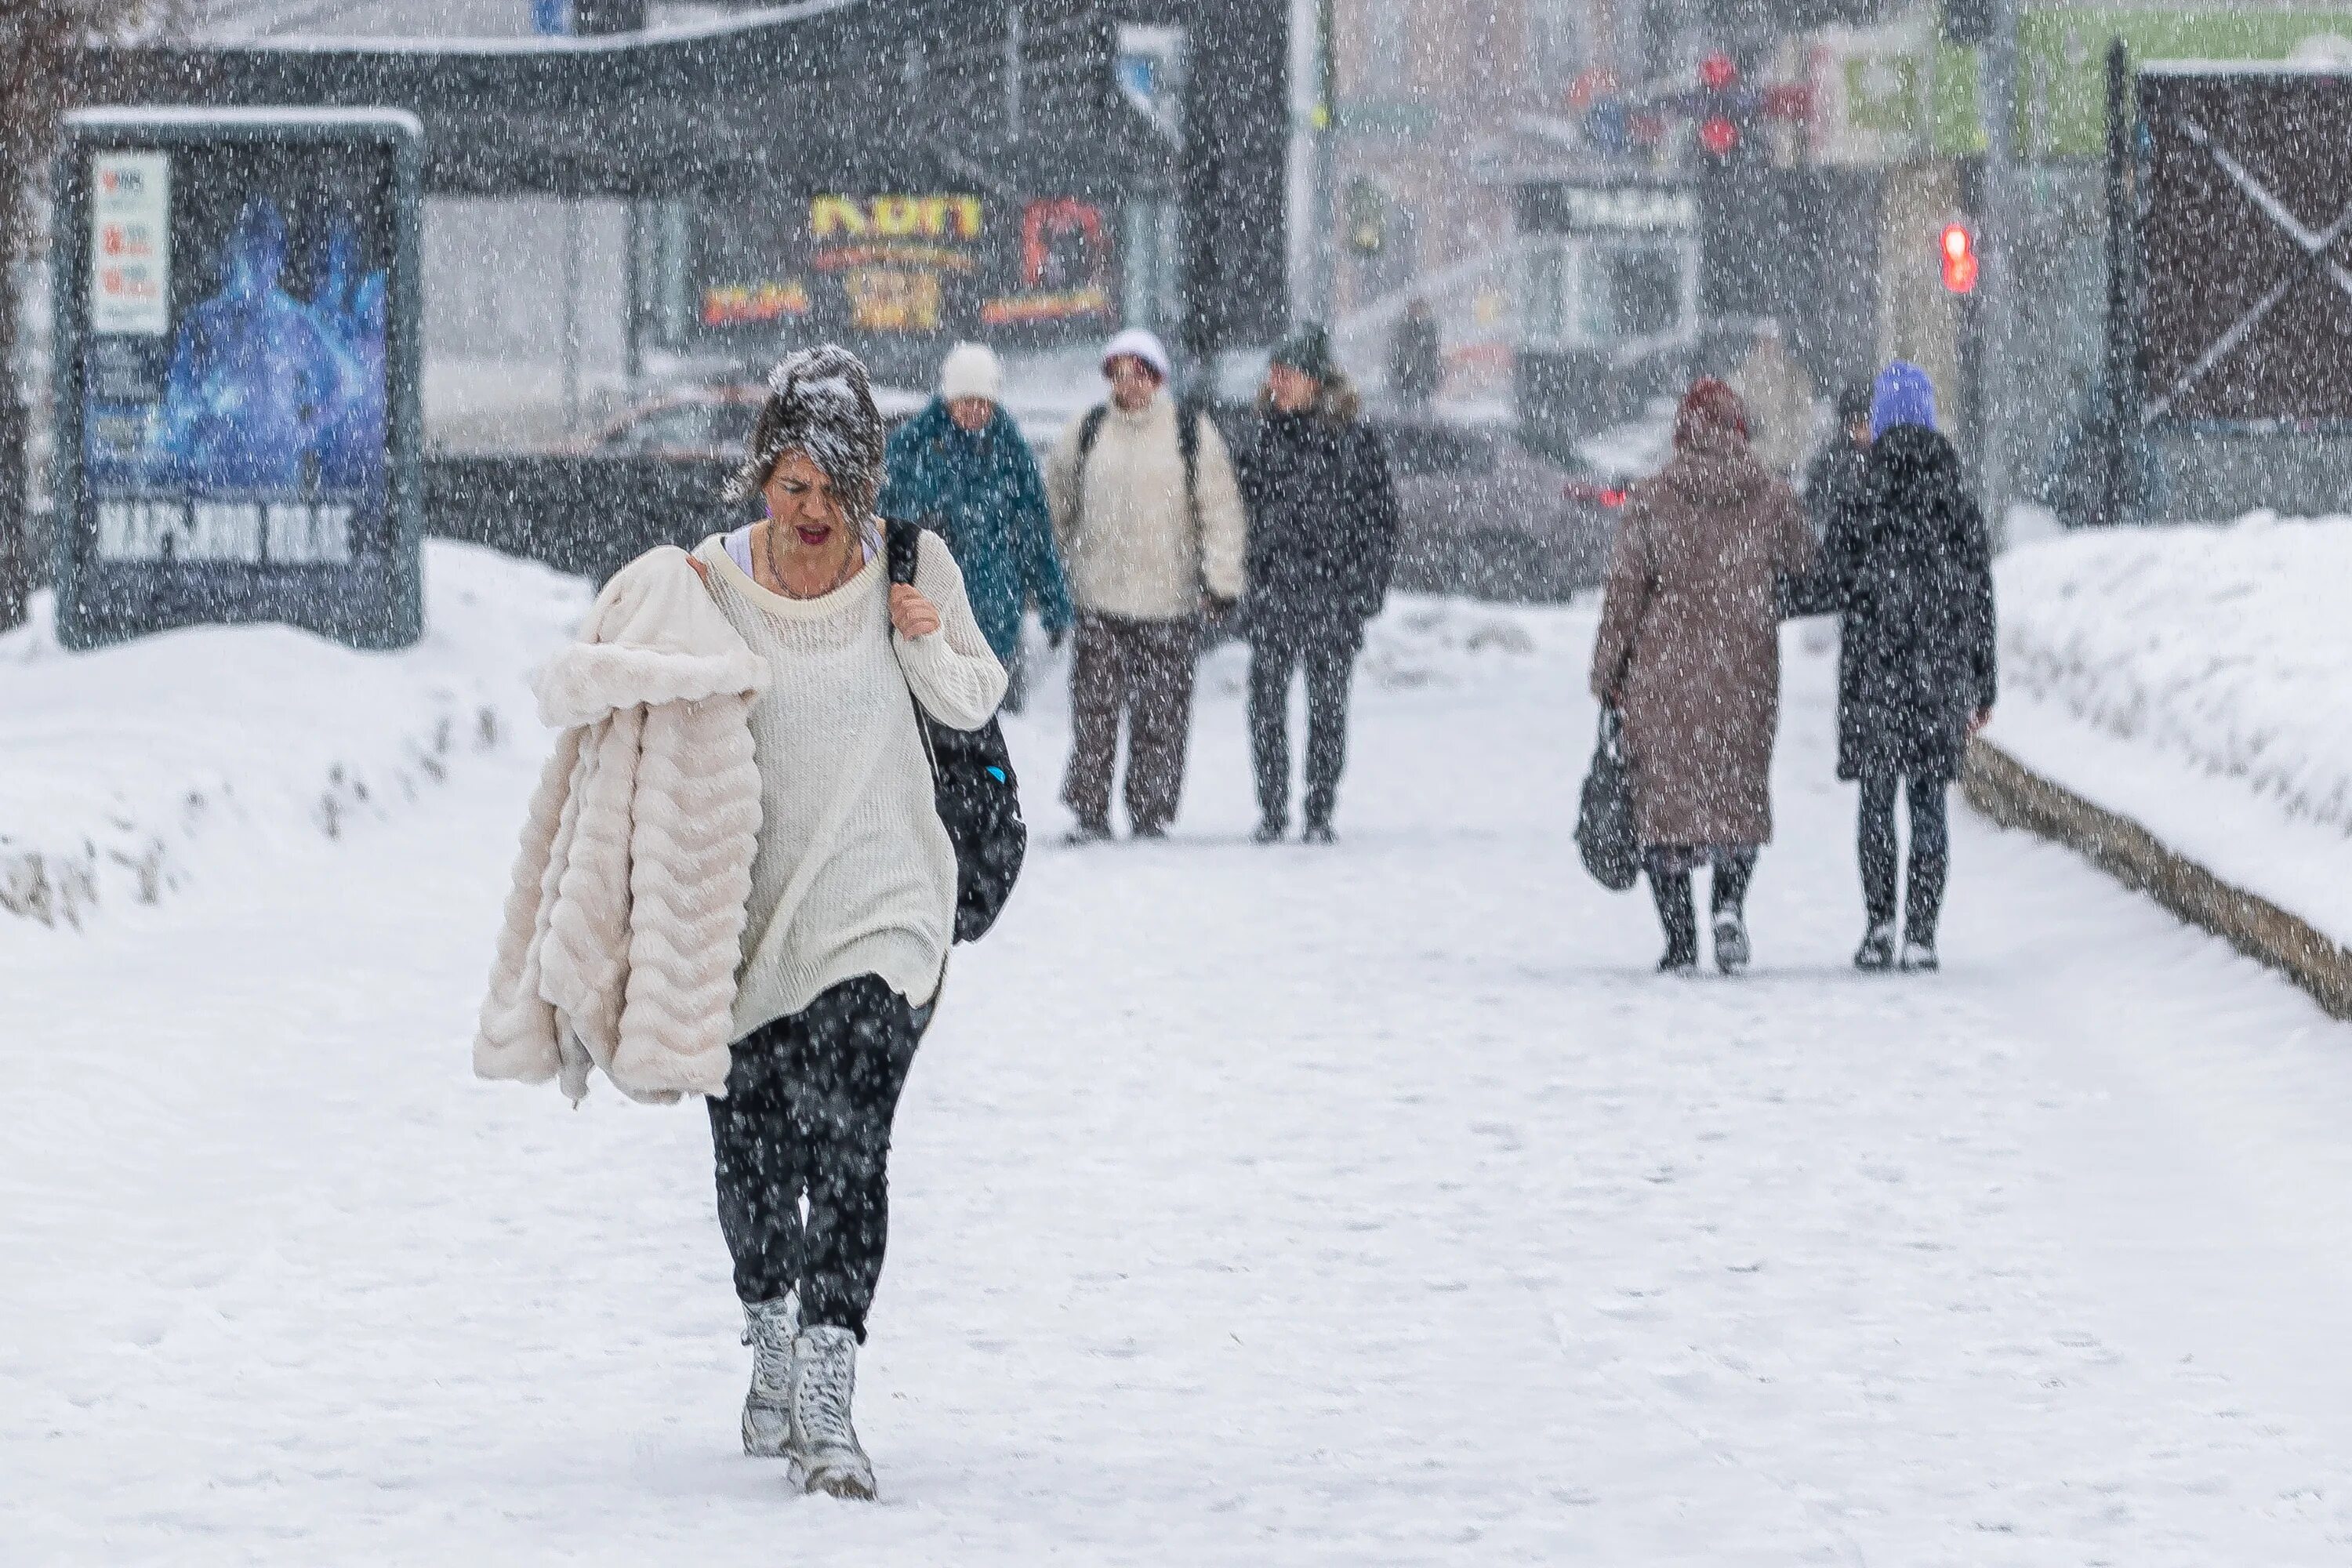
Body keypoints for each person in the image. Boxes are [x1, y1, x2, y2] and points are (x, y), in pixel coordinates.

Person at [476, 345, 1007, 1503]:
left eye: (835, 491)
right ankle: (768, 1326)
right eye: (791, 487)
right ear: (762, 476)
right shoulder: (702, 583)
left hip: (883, 910)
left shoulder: (914, 567)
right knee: (757, 1165)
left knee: (854, 1140)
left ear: (867, 485)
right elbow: (601, 697)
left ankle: (829, 1383)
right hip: (742, 925)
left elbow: (973, 699)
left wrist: (923, 632)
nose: (813, 514)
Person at [1589, 379, 1820, 975]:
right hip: (1744, 668)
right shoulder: (1770, 495)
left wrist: (1607, 673)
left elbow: (1624, 594)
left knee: (1663, 811)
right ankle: (1728, 905)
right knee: (1736, 799)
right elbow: (1807, 564)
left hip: (1662, 672)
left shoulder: (1651, 497)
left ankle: (1680, 939)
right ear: (1740, 429)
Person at [1822, 361, 1996, 974]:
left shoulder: (1859, 496)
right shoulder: (1957, 502)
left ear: (1877, 422)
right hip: (1939, 675)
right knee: (1928, 803)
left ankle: (1879, 926)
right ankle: (1921, 935)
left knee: (1876, 801)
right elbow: (1980, 599)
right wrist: (1984, 682)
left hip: (1875, 672)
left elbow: (1830, 581)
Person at [1045, 327, 1248, 842]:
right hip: (1098, 598)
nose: (1129, 383)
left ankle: (1150, 813)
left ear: (1157, 378)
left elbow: (1220, 511)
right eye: (1119, 372)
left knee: (1161, 719)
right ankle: (1090, 812)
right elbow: (1055, 507)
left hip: (1168, 602)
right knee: (1094, 716)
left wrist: (1221, 580)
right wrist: (1052, 572)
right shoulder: (1086, 431)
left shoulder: (1189, 431)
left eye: (1139, 373)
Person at [1237, 324, 1400, 844]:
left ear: (1315, 380)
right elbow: (1241, 516)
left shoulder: (1354, 441)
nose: (1276, 383)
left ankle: (1319, 810)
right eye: (1274, 373)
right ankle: (1272, 809)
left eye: (1287, 374)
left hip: (1334, 597)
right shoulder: (1262, 437)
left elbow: (1381, 521)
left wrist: (1364, 589)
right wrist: (1248, 578)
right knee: (1265, 706)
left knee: (1327, 708)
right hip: (1274, 596)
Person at [878, 341, 1074, 712]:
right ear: (948, 399)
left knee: (992, 729)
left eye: (983, 402)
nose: (974, 411)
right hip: (929, 606)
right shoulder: (911, 447)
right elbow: (884, 524)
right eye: (965, 401)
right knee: (933, 720)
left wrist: (1053, 603)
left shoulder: (1011, 452)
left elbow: (1034, 533)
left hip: (995, 607)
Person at [1726, 319, 1819, 484]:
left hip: (1782, 460)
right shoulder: (1742, 376)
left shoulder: (1795, 376)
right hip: (1751, 461)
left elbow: (1805, 416)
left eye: (1771, 341)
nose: (1766, 346)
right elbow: (1730, 413)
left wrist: (1792, 444)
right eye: (1762, 341)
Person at [1802, 383, 1875, 544]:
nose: (1862, 432)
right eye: (1856, 424)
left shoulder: (1883, 459)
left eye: (1866, 423)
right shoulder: (1830, 461)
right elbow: (1815, 510)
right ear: (1846, 425)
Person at [1388, 297, 1443, 414]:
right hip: (1408, 379)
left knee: (1424, 408)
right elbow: (1397, 353)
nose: (1417, 311)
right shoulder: (1405, 326)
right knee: (1408, 408)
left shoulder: (1429, 327)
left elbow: (1432, 353)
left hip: (1420, 379)